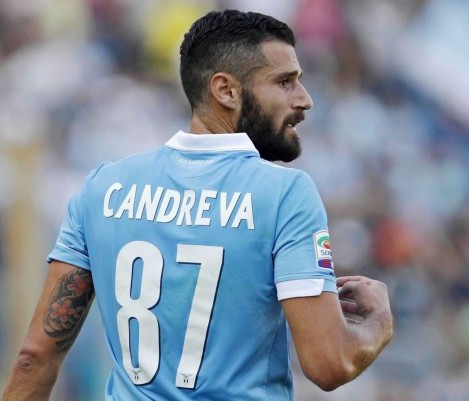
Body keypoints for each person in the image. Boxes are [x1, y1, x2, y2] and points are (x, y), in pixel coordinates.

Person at [2, 9, 393, 401]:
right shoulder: (285, 194)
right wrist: (379, 323)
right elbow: (328, 363)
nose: (304, 99)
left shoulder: (103, 187)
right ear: (225, 90)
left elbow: (35, 357)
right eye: (284, 82)